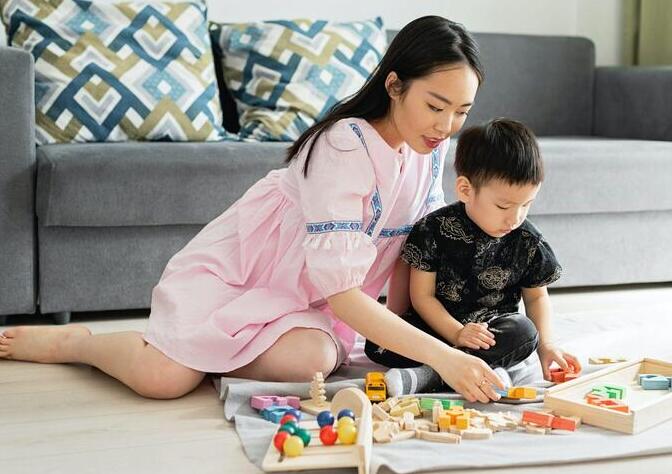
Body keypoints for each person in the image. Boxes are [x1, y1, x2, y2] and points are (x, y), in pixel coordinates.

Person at [0, 15, 506, 403]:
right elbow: (345, 292)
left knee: (314, 360)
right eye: (435, 106)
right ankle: (80, 344)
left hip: (310, 304)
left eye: (461, 112)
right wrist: (441, 356)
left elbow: (418, 248)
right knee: (163, 380)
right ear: (394, 85)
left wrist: (447, 330)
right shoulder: (345, 146)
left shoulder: (430, 148)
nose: (445, 126)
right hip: (248, 277)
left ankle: (199, 353)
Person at [365, 119, 581, 396]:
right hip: (439, 328)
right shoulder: (433, 229)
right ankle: (483, 369)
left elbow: (537, 297)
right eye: (503, 205)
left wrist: (547, 346)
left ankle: (429, 376)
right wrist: (456, 333)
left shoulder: (528, 240)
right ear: (466, 189)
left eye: (526, 205)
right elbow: (422, 298)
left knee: (524, 332)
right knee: (378, 341)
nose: (515, 218)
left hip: (491, 332)